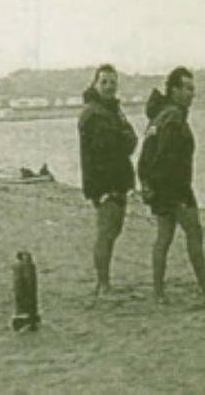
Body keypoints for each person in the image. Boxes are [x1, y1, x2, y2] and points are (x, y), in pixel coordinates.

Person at [138, 66, 205, 303]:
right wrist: (174, 192)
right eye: (188, 89)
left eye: (193, 89)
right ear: (174, 90)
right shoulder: (173, 117)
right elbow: (165, 156)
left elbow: (145, 156)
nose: (192, 94)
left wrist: (147, 183)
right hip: (174, 187)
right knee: (194, 232)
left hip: (159, 186)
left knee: (164, 237)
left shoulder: (159, 116)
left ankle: (159, 292)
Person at [77, 63, 138, 297]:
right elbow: (108, 148)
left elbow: (130, 141)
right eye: (104, 82)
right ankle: (103, 285)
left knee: (113, 230)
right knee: (106, 231)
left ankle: (104, 282)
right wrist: (98, 189)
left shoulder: (112, 111)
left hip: (117, 179)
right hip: (104, 182)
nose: (109, 87)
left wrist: (124, 140)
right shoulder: (94, 113)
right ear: (95, 84)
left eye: (113, 82)